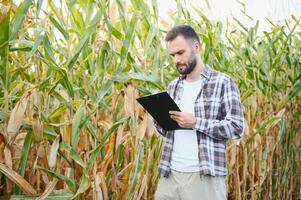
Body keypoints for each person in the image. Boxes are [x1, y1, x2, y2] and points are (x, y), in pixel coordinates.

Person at [154, 25, 245, 200]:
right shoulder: (173, 86)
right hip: (170, 174)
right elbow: (166, 131)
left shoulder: (223, 82)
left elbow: (236, 127)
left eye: (181, 53)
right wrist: (159, 118)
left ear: (196, 47)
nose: (176, 60)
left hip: (204, 176)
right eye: (173, 55)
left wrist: (196, 123)